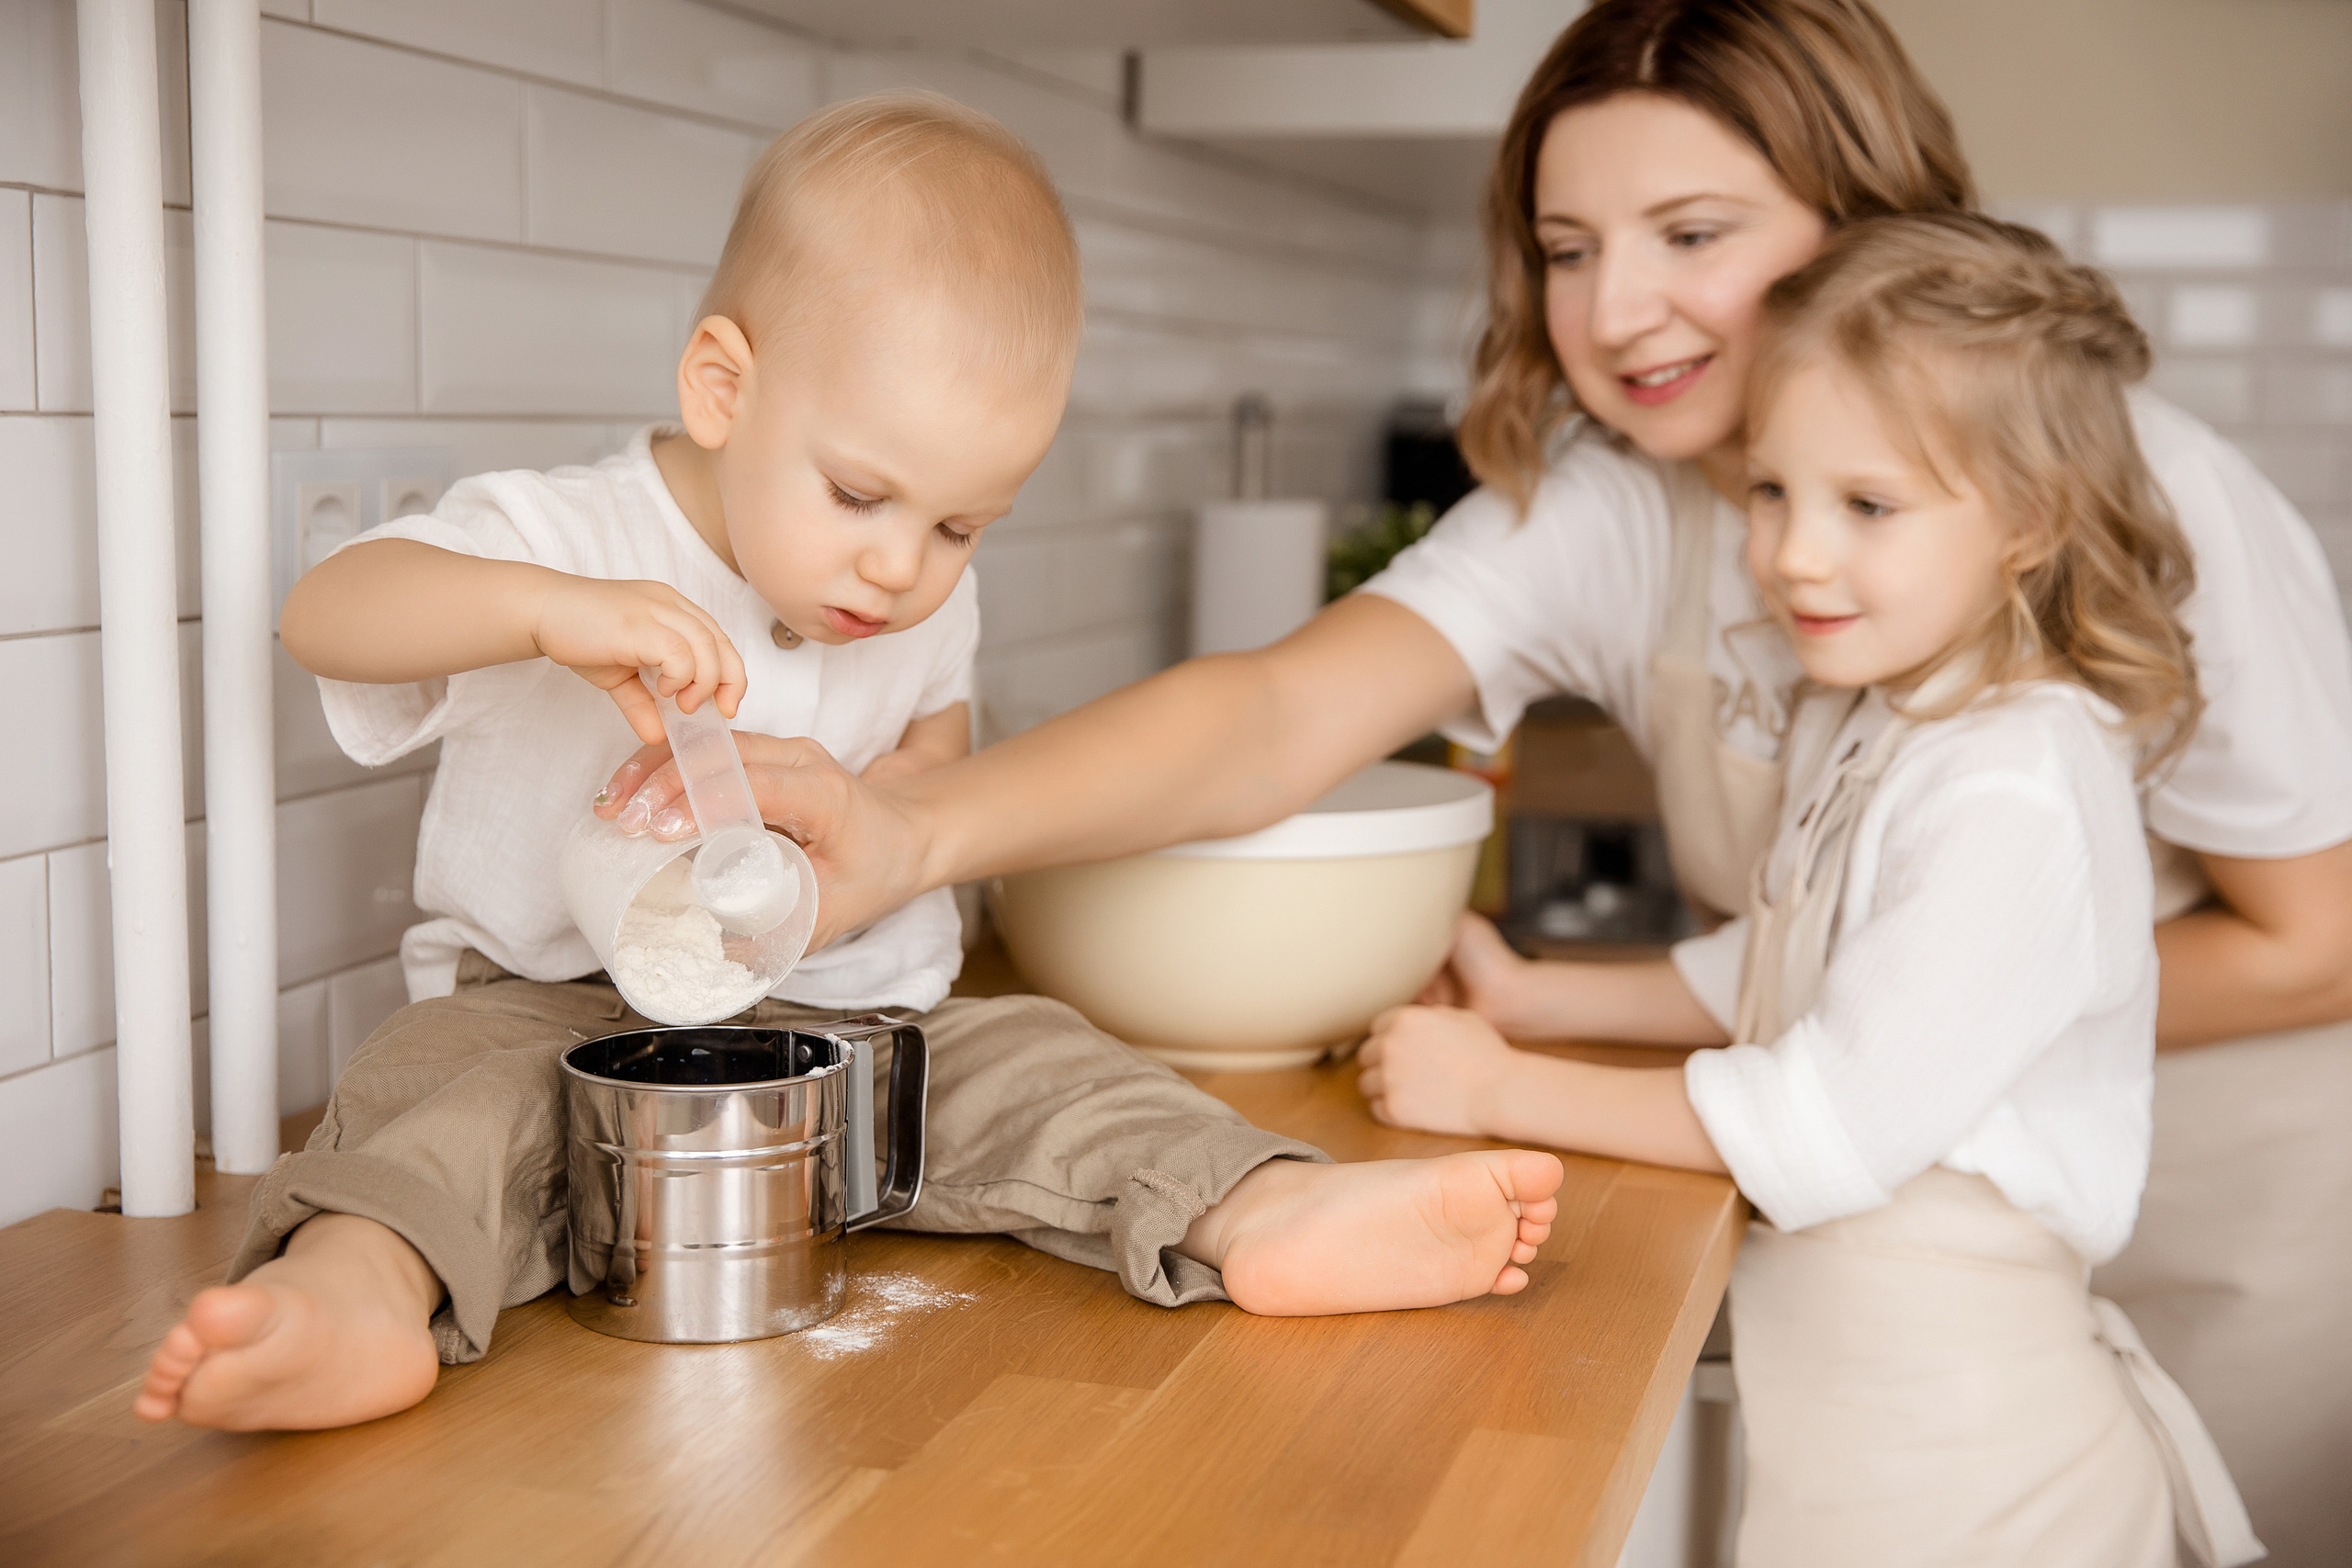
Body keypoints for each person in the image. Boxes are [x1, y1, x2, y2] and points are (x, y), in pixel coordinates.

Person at [611, 5, 2352, 1562]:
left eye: (1693, 234)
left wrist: (1839, 1066)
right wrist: (907, 831)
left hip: (2215, 1194)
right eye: (1568, 247)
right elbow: (1278, 714)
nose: (1616, 310)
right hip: (1865, 1229)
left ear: (1864, 225)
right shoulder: (1622, 502)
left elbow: (2312, 939)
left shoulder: (2130, 492)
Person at [130, 95, 1564, 1434]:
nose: (901, 567)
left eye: (960, 527)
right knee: (445, 1109)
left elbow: (932, 769)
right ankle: (358, 1293)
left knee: (1050, 1066)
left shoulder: (919, 600)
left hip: (848, 1027)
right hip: (549, 1019)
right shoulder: (573, 537)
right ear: (722, 388)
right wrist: (544, 612)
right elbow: (328, 615)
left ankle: (1259, 1210)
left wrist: (870, 847)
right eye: (861, 494)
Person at [1363, 210, 2265, 1566]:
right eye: (1773, 491)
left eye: (1868, 506)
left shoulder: (2014, 785)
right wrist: (1539, 999)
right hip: (1872, 1450)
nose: (1791, 552)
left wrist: (1495, 1091)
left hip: (1984, 1480)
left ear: (2029, 522)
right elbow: (1799, 966)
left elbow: (1823, 1124)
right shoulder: (1896, 714)